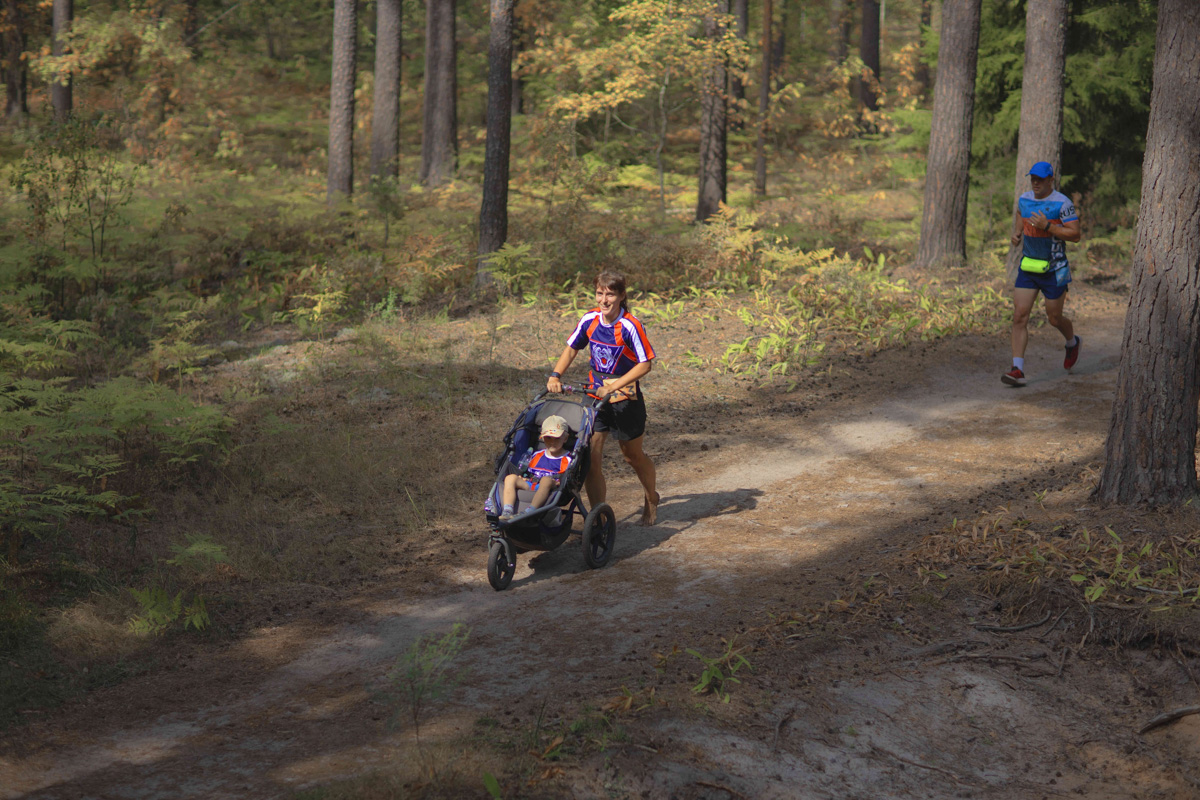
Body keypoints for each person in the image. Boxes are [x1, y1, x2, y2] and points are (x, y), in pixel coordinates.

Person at [547, 271, 660, 525]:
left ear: (621, 296)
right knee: (590, 459)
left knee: (632, 456)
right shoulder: (589, 320)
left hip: (625, 398)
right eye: (600, 293)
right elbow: (572, 348)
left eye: (610, 294)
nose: (604, 300)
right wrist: (555, 375)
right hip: (593, 396)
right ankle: (598, 520)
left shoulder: (630, 325)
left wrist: (613, 386)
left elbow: (645, 365)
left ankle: (651, 497)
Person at [1003, 161, 1083, 387]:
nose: (1035, 183)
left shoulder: (1062, 203)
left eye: (1040, 179)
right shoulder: (1025, 199)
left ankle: (1072, 342)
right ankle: (1017, 369)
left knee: (1054, 318)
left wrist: (1048, 226)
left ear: (1050, 180)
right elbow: (1021, 213)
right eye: (1033, 178)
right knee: (1019, 315)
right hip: (1029, 267)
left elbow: (1075, 235)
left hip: (1055, 269)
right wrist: (1017, 233)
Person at [500, 415, 572, 520]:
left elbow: (567, 477)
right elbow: (527, 471)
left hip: (550, 486)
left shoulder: (567, 459)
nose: (552, 442)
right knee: (510, 478)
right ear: (542, 438)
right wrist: (523, 477)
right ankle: (507, 510)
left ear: (565, 438)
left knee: (546, 480)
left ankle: (530, 510)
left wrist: (560, 482)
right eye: (548, 438)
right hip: (531, 483)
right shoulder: (536, 455)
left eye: (556, 438)